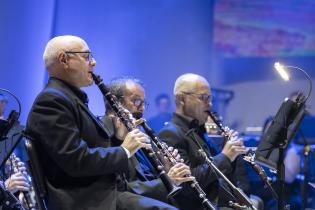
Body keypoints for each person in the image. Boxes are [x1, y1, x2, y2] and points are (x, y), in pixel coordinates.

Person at [25, 35, 151, 210]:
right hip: (86, 201)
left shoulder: (69, 99)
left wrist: (118, 139)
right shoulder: (51, 101)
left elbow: (91, 152)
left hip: (103, 194)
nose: (94, 63)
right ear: (64, 59)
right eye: (86, 57)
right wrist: (124, 150)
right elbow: (76, 160)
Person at [158, 73, 256, 209]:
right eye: (203, 97)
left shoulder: (198, 131)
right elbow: (188, 181)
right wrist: (225, 156)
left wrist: (232, 156)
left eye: (210, 98)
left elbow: (221, 174)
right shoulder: (169, 134)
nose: (209, 104)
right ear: (181, 99)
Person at [102, 77, 195, 210]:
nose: (142, 108)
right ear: (115, 101)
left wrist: (166, 169)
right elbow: (119, 189)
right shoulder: (103, 134)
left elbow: (148, 179)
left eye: (144, 102)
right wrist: (167, 181)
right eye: (136, 101)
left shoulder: (140, 136)